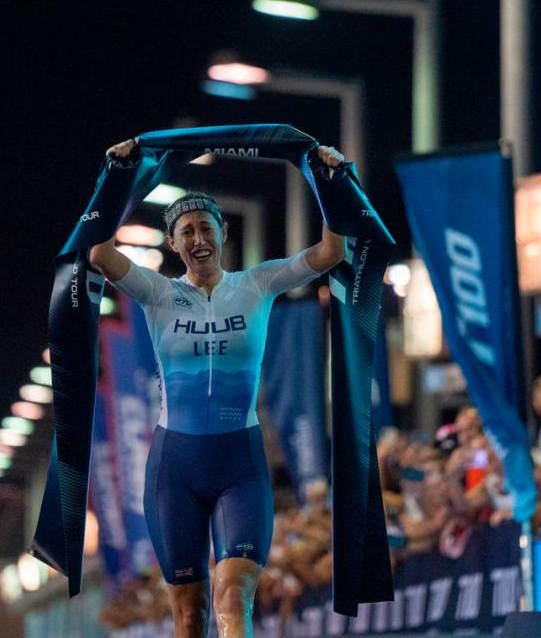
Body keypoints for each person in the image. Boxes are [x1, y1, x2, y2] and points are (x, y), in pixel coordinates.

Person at [88, 138, 347, 638]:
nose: (198, 238)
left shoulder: (257, 284)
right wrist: (116, 177)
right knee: (190, 616)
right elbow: (100, 252)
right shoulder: (157, 292)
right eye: (186, 232)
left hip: (239, 466)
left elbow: (331, 251)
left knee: (233, 599)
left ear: (223, 233)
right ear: (173, 243)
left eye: (206, 227)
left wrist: (328, 182)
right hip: (174, 470)